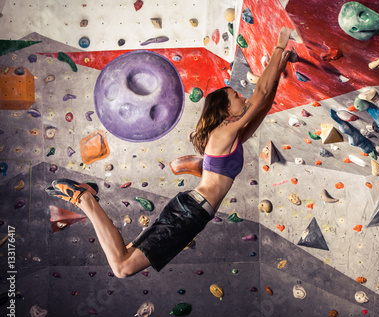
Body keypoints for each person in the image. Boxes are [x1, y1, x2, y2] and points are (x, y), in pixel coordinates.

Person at [46, 27, 292, 278]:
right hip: (190, 213)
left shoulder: (231, 137)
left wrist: (279, 68)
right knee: (123, 266)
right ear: (225, 110)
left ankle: (86, 199)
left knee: (124, 264)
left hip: (191, 211)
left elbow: (265, 101)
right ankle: (85, 199)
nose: (242, 98)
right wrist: (279, 47)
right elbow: (259, 95)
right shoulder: (224, 132)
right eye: (236, 96)